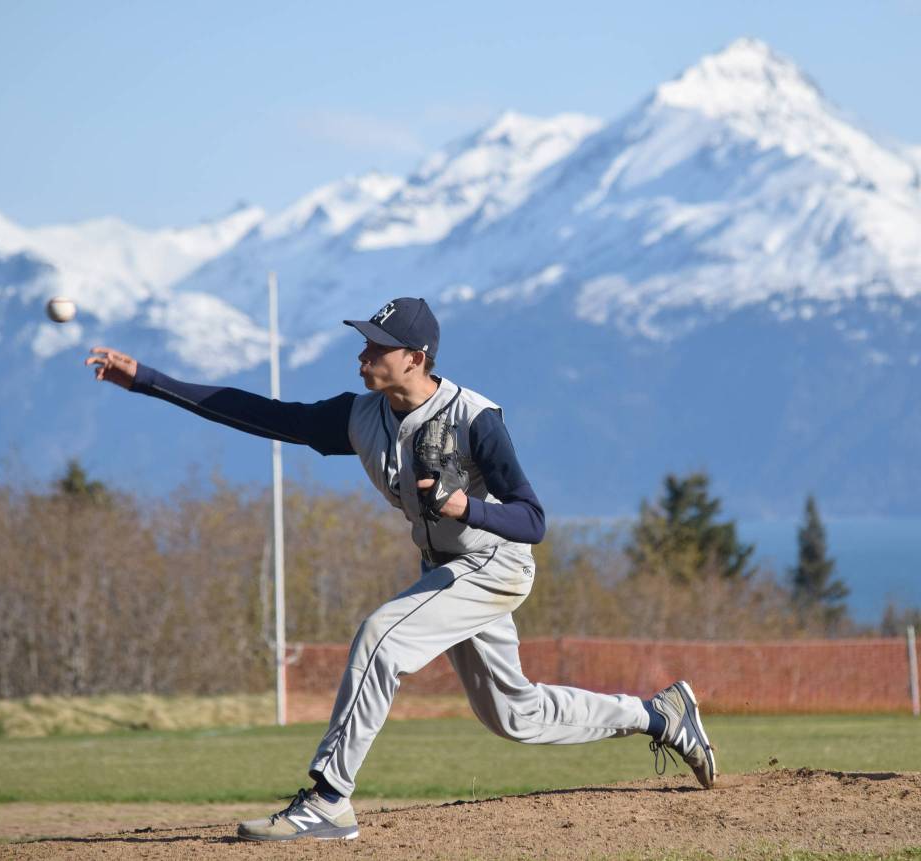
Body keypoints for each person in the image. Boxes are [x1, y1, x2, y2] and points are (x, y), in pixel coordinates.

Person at [86, 296, 716, 843]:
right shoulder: (360, 415)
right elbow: (263, 414)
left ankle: (329, 800)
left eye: (376, 347)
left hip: (494, 564)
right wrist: (147, 379)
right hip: (445, 569)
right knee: (515, 716)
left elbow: (533, 520)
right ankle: (660, 716)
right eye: (364, 344)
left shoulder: (476, 419)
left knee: (381, 636)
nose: (363, 357)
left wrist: (465, 504)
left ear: (415, 356)